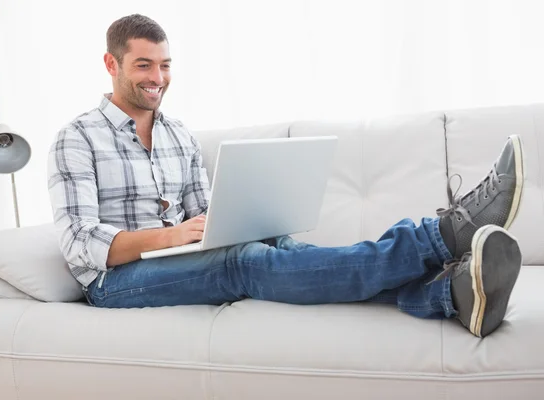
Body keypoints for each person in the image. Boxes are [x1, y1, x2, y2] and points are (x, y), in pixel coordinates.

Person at [47, 14, 524, 338]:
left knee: (281, 245)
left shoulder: (179, 135)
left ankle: (448, 294)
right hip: (115, 283)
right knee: (241, 262)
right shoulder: (78, 138)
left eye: (165, 65)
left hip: (177, 258)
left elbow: (204, 214)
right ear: (112, 65)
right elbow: (81, 244)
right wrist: (170, 237)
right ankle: (438, 236)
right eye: (143, 66)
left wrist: (232, 219)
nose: (158, 77)